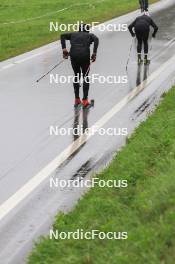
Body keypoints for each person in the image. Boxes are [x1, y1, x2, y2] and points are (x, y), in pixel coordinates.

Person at [61, 24, 99, 107]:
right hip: (84, 56)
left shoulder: (73, 34)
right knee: (85, 76)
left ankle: (77, 99)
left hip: (73, 56)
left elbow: (62, 35)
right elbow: (96, 39)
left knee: (76, 75)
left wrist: (64, 49)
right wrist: (94, 53)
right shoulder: (89, 35)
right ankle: (85, 100)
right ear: (87, 30)